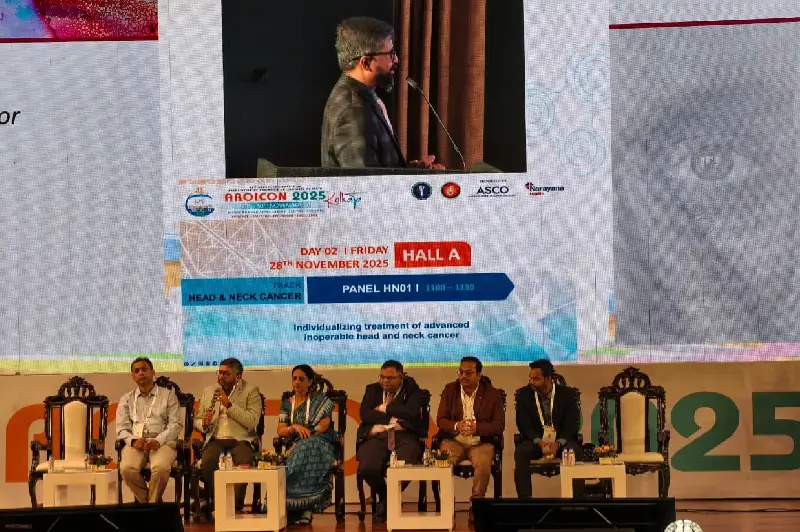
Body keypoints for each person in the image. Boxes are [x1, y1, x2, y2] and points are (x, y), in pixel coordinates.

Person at [321, 16, 444, 170]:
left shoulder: (362, 96)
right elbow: (366, 182)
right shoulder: (352, 109)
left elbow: (379, 171)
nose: (396, 59)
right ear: (366, 63)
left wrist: (414, 172)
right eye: (390, 54)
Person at [435, 356, 504, 522]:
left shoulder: (492, 394)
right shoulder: (450, 390)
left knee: (483, 464)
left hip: (480, 442)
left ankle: (476, 505)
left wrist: (477, 428)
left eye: (468, 373)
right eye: (460, 372)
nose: (463, 376)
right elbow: (441, 420)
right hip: (454, 441)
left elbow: (499, 425)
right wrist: (457, 425)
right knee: (443, 463)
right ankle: (446, 504)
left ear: (479, 374)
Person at [357, 360, 426, 523]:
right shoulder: (372, 389)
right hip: (379, 435)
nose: (385, 381)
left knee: (404, 467)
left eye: (390, 378)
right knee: (367, 467)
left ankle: (384, 504)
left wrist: (384, 408)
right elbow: (365, 415)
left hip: (405, 435)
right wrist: (393, 417)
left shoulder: (414, 391)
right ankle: (386, 498)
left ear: (401, 377)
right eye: (382, 377)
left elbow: (410, 412)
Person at [195, 358, 262, 514]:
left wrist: (229, 406)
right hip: (216, 439)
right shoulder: (209, 391)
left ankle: (234, 505)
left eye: (226, 373)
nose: (221, 377)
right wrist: (203, 423)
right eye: (219, 372)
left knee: (244, 461)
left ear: (238, 376)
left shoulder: (251, 391)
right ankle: (218, 502)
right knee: (208, 461)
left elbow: (252, 421)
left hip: (241, 439)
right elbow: (197, 420)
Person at [276, 365, 336, 525]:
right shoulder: (287, 403)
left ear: (309, 382)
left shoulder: (319, 400)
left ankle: (307, 507)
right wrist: (293, 428)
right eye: (294, 378)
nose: (296, 382)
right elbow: (281, 430)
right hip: (294, 446)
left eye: (301, 379)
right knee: (297, 455)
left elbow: (324, 425)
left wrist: (305, 438)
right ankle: (291, 508)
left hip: (319, 441)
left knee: (307, 448)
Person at [116, 357, 182, 503]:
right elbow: (121, 428)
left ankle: (149, 508)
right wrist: (133, 441)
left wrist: (158, 440)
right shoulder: (126, 399)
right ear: (133, 376)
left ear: (153, 372)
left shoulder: (168, 395)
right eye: (136, 371)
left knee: (160, 468)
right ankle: (152, 506)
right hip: (137, 443)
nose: (141, 373)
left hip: (162, 443)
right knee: (126, 469)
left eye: (144, 369)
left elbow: (175, 424)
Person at [514, 359, 583, 498]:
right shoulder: (524, 395)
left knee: (574, 450)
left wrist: (558, 443)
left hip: (561, 441)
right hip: (537, 442)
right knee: (521, 451)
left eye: (536, 379)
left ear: (548, 379)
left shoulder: (567, 394)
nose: (531, 382)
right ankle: (525, 502)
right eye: (530, 378)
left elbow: (572, 424)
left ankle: (576, 501)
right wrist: (539, 441)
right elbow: (523, 424)